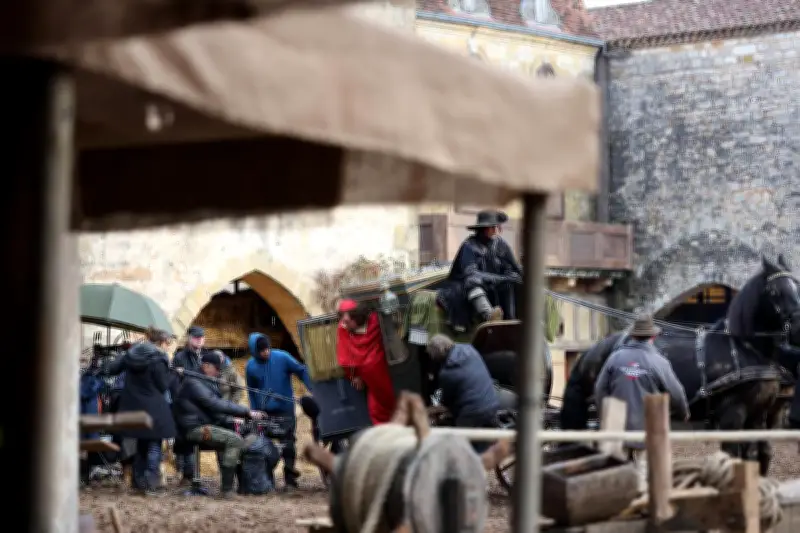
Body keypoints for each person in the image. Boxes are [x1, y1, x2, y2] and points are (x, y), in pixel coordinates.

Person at [594, 314, 690, 492]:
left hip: (616, 430)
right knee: (643, 478)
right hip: (646, 431)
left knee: (615, 480)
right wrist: (683, 413)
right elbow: (677, 394)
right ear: (653, 337)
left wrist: (605, 417)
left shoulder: (615, 358)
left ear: (633, 335)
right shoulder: (659, 362)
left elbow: (599, 390)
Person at [173, 353, 265, 498]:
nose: (218, 373)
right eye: (216, 369)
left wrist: (232, 419)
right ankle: (227, 490)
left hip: (201, 424)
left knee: (238, 437)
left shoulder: (204, 381)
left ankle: (240, 485)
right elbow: (214, 404)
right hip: (193, 429)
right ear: (206, 366)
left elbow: (213, 409)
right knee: (234, 440)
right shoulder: (194, 383)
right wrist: (247, 412)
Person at [101, 327, 177, 495]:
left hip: (132, 406)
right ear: (162, 342)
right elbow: (163, 385)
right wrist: (173, 374)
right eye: (168, 344)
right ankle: (152, 483)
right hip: (153, 407)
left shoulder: (131, 354)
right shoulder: (159, 358)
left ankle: (139, 482)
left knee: (140, 445)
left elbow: (111, 369)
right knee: (154, 445)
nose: (168, 348)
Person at [245, 332, 313, 491]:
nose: (266, 352)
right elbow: (251, 391)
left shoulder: (282, 357)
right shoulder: (251, 367)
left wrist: (312, 388)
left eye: (267, 349)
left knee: (288, 443)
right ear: (255, 351)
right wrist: (254, 411)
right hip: (265, 413)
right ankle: (267, 480)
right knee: (264, 445)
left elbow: (301, 370)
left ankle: (290, 479)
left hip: (285, 410)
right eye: (262, 351)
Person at [436, 211, 522, 331]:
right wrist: (501, 278)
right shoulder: (469, 246)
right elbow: (471, 274)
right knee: (473, 282)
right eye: (492, 227)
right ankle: (490, 315)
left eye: (497, 226)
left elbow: (515, 267)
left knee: (511, 282)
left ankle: (510, 321)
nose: (496, 230)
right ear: (483, 229)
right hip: (465, 287)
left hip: (493, 287)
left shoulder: (501, 244)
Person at [426, 334, 500, 453]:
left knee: (459, 444)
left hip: (473, 414)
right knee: (482, 441)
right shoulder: (469, 349)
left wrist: (431, 411)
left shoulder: (447, 373)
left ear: (436, 356)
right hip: (492, 403)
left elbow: (447, 404)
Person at [336, 299, 397, 425]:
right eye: (342, 318)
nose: (344, 322)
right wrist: (354, 375)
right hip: (373, 383)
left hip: (387, 376)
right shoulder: (344, 328)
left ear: (358, 317)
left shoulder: (376, 321)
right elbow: (345, 360)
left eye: (348, 319)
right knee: (378, 411)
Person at [170, 325, 208, 483]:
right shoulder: (180, 357)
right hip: (184, 403)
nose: (199, 340)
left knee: (195, 438)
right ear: (189, 338)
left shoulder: (205, 357)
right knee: (183, 438)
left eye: (201, 338)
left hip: (201, 402)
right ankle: (185, 473)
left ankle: (190, 473)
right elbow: (174, 383)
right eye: (196, 338)